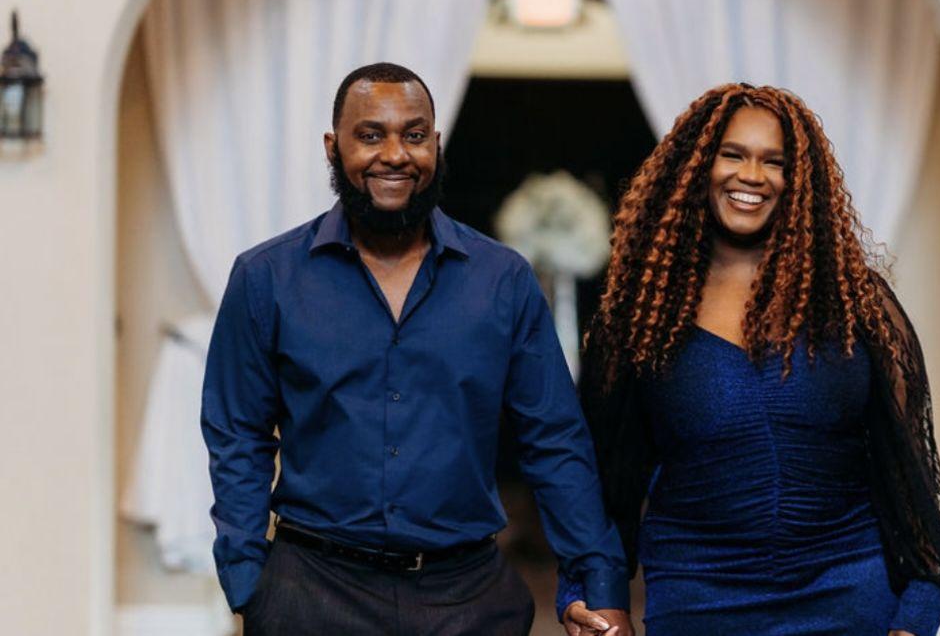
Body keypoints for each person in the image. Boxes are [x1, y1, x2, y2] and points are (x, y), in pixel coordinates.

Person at [201, 62, 632, 635]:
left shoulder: (502, 280)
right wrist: (249, 580)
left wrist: (597, 582)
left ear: (436, 144)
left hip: (468, 600)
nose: (395, 155)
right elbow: (237, 434)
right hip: (312, 595)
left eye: (414, 134)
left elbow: (554, 439)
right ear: (333, 148)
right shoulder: (266, 277)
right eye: (370, 135)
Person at [560, 83, 940, 636]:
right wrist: (593, 595)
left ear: (799, 181)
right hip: (699, 600)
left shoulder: (857, 305)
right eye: (732, 154)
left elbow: (909, 472)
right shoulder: (642, 312)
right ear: (696, 167)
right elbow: (607, 479)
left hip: (848, 595)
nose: (752, 175)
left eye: (775, 162)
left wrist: (916, 612)